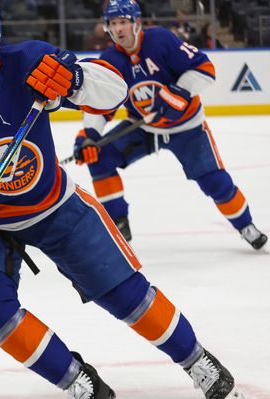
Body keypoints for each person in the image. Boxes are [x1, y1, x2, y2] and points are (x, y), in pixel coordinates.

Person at [0, 0, 244, 399]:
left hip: (54, 206)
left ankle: (197, 359)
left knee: (124, 293)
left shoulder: (29, 61)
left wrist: (76, 80)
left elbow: (113, 91)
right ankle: (81, 383)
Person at [73, 0, 266, 250]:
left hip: (186, 128)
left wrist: (179, 93)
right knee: (99, 155)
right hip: (144, 128)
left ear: (136, 23)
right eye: (113, 23)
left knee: (214, 181)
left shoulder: (161, 40)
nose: (118, 29)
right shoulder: (110, 59)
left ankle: (245, 225)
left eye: (123, 22)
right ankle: (119, 223)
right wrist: (89, 135)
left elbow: (205, 68)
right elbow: (101, 104)